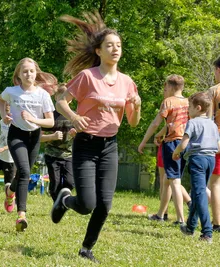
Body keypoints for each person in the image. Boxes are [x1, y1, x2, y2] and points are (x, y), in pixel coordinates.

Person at [51, 12, 141, 263]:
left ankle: (86, 248)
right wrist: (74, 117)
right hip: (86, 145)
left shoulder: (127, 82)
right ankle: (65, 200)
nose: (115, 49)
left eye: (119, 45)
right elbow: (60, 101)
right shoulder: (88, 77)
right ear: (99, 51)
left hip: (110, 146)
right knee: (87, 204)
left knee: (105, 204)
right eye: (110, 45)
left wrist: (138, 105)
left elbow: (133, 122)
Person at [0, 57, 55, 232]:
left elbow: (50, 122)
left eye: (31, 71)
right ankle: (21, 214)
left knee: (24, 173)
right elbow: (0, 100)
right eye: (24, 72)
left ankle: (10, 192)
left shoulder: (43, 94)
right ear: (19, 75)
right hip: (16, 135)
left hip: (34, 136)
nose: (28, 74)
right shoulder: (11, 91)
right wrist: (3, 115)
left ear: (36, 72)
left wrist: (33, 119)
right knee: (24, 171)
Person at [138, 75, 189, 225]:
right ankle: (161, 214)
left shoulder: (168, 102)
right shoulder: (188, 102)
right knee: (169, 178)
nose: (164, 90)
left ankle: (181, 220)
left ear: (171, 87)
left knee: (174, 181)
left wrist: (143, 142)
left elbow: (155, 123)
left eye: (166, 87)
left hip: (172, 144)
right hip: (185, 143)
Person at [172, 92, 219, 243]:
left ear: (198, 108)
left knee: (199, 195)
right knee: (197, 192)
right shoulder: (212, 124)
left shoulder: (192, 122)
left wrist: (176, 152)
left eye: (189, 108)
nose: (188, 110)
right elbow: (218, 146)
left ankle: (207, 233)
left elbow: (184, 143)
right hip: (211, 159)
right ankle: (190, 227)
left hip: (197, 160)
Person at [40, 84, 76, 202]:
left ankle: (63, 201)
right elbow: (38, 138)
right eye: (61, 97)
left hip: (69, 156)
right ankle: (57, 203)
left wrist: (77, 134)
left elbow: (85, 136)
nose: (64, 100)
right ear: (56, 98)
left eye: (67, 97)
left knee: (69, 183)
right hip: (52, 155)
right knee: (54, 184)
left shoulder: (75, 116)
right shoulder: (50, 116)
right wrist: (52, 136)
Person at [207, 56, 220, 232]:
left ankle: (217, 223)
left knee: (215, 184)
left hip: (218, 141)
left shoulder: (214, 91)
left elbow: (208, 120)